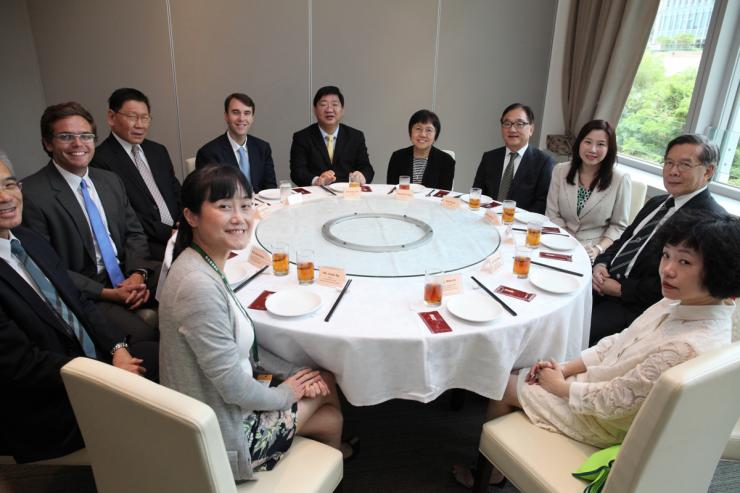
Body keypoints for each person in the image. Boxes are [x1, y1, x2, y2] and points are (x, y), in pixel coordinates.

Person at [453, 208, 739, 488]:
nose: (668, 270)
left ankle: (489, 475)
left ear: (719, 272)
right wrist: (565, 369)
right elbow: (619, 341)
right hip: (599, 386)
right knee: (525, 369)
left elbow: (616, 401)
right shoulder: (680, 302)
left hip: (605, 421)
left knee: (501, 384)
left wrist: (560, 387)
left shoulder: (686, 346)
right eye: (666, 255)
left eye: (685, 263)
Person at [159, 164, 352, 481]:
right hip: (224, 437)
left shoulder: (201, 262)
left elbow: (245, 352)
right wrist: (288, 392)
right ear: (191, 216)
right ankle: (327, 463)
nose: (239, 217)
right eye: (224, 207)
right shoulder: (198, 286)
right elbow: (235, 388)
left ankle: (332, 461)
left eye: (245, 206)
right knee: (326, 393)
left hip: (221, 405)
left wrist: (293, 373)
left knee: (324, 393)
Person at [0, 151, 157, 463]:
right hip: (47, 401)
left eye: (9, 184)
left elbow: (79, 303)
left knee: (166, 352)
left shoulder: (26, 239)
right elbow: (22, 365)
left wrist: (117, 347)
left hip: (88, 364)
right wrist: (104, 374)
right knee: (166, 387)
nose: (5, 198)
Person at [22, 102, 160, 343]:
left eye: (86, 136)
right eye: (66, 136)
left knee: (192, 295)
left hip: (128, 272)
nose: (78, 144)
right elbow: (47, 267)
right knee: (146, 335)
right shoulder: (32, 195)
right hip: (88, 290)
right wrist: (109, 293)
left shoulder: (109, 180)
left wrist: (138, 274)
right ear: (47, 143)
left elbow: (134, 233)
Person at [590, 134, 725, 344]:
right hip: (601, 286)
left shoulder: (709, 221)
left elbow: (685, 282)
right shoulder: (657, 203)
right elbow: (624, 240)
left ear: (708, 171)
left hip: (637, 308)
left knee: (572, 330)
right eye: (669, 163)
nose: (673, 171)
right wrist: (601, 263)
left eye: (684, 165)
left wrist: (620, 290)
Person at [92, 88, 181, 261]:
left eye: (145, 118)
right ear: (111, 117)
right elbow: (121, 215)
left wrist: (183, 221)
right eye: (132, 117)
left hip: (178, 232)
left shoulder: (158, 150)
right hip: (144, 243)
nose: (140, 125)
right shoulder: (99, 160)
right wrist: (168, 232)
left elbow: (175, 189)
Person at [545, 120, 631, 262]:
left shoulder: (620, 179)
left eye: (601, 144)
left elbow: (618, 226)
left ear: (610, 148)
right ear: (579, 143)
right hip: (559, 241)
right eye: (588, 142)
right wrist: (567, 241)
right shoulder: (560, 170)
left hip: (593, 252)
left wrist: (599, 249)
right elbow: (552, 213)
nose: (592, 150)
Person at [473, 103, 554, 213]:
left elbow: (542, 203)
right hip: (486, 219)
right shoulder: (489, 157)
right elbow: (477, 192)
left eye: (519, 124)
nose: (512, 129)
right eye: (507, 123)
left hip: (520, 225)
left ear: (531, 129)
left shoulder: (544, 162)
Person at [290, 86, 374, 186]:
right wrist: (317, 180)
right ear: (315, 110)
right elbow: (297, 172)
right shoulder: (302, 137)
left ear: (342, 110)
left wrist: (361, 176)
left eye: (335, 104)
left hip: (347, 195)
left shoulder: (355, 136)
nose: (329, 109)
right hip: (316, 196)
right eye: (323, 104)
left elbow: (367, 168)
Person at [195, 93, 277, 193]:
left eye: (247, 113)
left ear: (252, 118)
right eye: (236, 112)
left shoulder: (263, 147)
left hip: (262, 207)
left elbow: (270, 188)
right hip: (229, 207)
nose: (241, 118)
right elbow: (212, 194)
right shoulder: (208, 153)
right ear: (226, 116)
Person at [386, 109, 455, 190]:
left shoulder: (446, 161)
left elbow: (443, 194)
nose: (423, 134)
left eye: (429, 130)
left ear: (435, 136)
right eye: (418, 129)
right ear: (410, 133)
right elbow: (392, 189)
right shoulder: (397, 157)